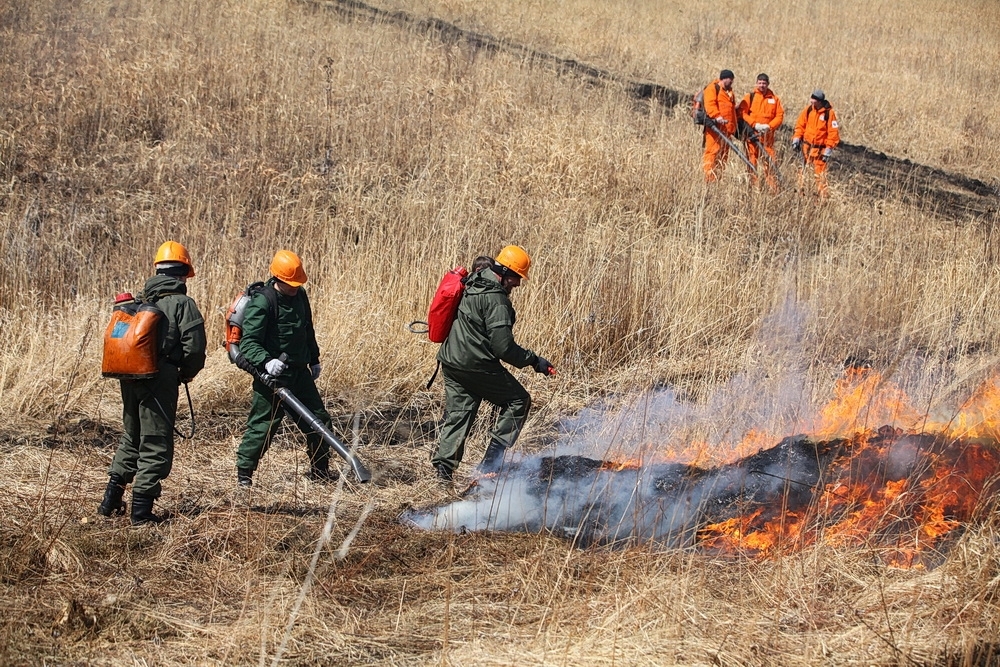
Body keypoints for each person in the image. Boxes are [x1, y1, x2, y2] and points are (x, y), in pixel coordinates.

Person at [98, 241, 207, 525]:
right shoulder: (183, 304)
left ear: (157, 270)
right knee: (156, 443)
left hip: (128, 376)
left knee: (131, 436)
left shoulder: (137, 302)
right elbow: (195, 349)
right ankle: (141, 514)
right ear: (184, 273)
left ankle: (111, 499)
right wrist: (185, 373)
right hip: (161, 379)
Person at [431, 245, 555, 482]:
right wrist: (534, 361)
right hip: (476, 364)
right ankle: (491, 463)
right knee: (519, 400)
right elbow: (503, 348)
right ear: (506, 272)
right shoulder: (497, 300)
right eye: (517, 277)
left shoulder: (473, 281)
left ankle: (443, 473)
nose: (518, 284)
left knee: (460, 414)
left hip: (451, 361)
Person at [235, 249, 335, 488]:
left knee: (320, 422)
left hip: (300, 374)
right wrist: (266, 361)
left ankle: (320, 472)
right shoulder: (263, 302)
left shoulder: (300, 296)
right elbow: (248, 343)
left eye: (297, 283)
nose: (294, 287)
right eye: (290, 284)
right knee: (263, 427)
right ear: (278, 279)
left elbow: (306, 329)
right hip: (272, 378)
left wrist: (314, 359)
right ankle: (244, 476)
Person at [738, 73, 784, 190]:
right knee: (751, 163)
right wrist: (755, 124)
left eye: (764, 83)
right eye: (759, 83)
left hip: (767, 140)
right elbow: (741, 112)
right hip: (752, 137)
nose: (762, 85)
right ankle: (754, 188)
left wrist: (769, 126)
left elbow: (779, 116)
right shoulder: (750, 97)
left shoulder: (774, 99)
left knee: (770, 165)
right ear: (756, 83)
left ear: (768, 84)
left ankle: (773, 190)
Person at [792, 89, 841, 198]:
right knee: (802, 172)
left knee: (820, 176)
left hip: (820, 151)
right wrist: (796, 138)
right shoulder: (809, 110)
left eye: (814, 100)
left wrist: (828, 149)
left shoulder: (829, 114)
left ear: (820, 101)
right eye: (811, 99)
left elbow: (833, 133)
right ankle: (801, 194)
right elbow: (800, 125)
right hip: (806, 148)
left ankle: (822, 199)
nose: (812, 102)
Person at [701, 69, 738, 183]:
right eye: (730, 79)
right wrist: (717, 116)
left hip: (727, 130)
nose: (731, 81)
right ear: (724, 78)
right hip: (715, 128)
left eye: (732, 80)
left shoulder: (730, 93)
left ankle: (718, 180)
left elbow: (732, 111)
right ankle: (708, 179)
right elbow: (710, 104)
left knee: (723, 156)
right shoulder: (713, 88)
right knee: (712, 153)